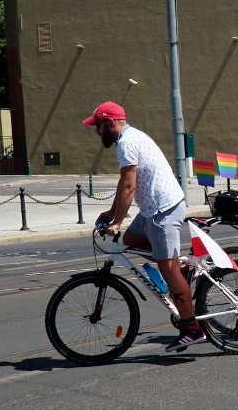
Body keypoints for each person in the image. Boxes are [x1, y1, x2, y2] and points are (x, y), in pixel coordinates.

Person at [83, 101, 204, 353]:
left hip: (163, 210)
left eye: (98, 125)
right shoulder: (130, 137)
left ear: (111, 122)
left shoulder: (127, 143)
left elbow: (129, 186)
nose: (96, 131)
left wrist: (116, 221)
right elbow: (124, 184)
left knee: (166, 268)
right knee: (129, 241)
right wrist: (111, 212)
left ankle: (192, 328)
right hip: (151, 210)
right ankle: (179, 268)